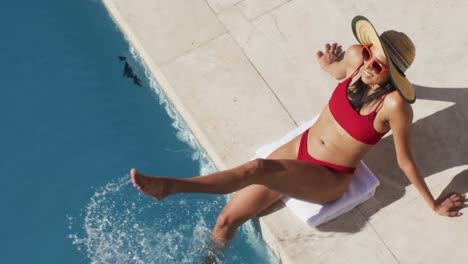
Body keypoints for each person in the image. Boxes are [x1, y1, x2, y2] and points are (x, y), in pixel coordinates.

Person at [130, 16, 467, 248]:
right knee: (225, 222)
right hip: (298, 149)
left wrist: (434, 204)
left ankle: (170, 187)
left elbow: (406, 161)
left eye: (377, 65)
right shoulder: (355, 61)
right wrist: (326, 62)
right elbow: (336, 70)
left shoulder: (394, 106)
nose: (366, 65)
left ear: (392, 75)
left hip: (328, 177)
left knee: (257, 168)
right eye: (367, 54)